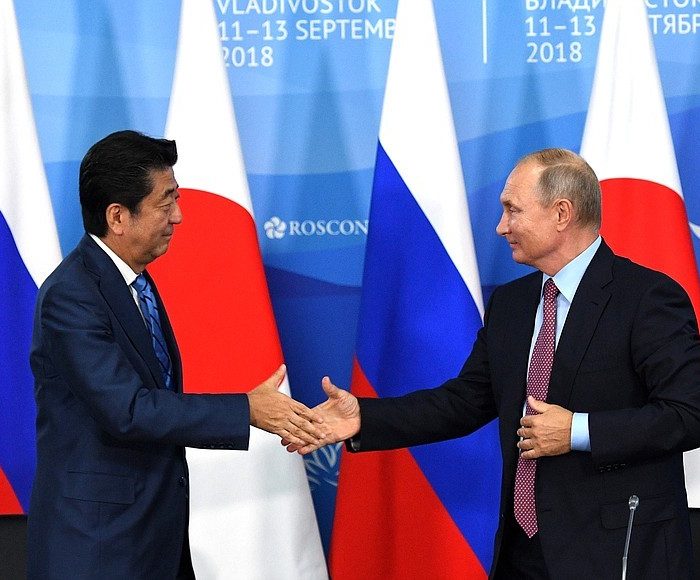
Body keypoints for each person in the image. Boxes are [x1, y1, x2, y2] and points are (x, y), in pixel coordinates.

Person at [291, 148, 700, 578]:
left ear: (562, 213)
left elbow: (689, 412)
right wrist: (364, 418)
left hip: (618, 553)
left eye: (513, 210)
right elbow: (464, 402)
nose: (501, 226)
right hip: (522, 555)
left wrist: (577, 431)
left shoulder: (646, 298)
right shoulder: (512, 304)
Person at [28, 130, 326, 579]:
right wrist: (246, 409)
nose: (179, 216)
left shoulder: (136, 281)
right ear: (118, 216)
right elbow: (128, 410)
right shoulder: (71, 296)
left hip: (153, 538)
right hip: (98, 547)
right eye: (165, 203)